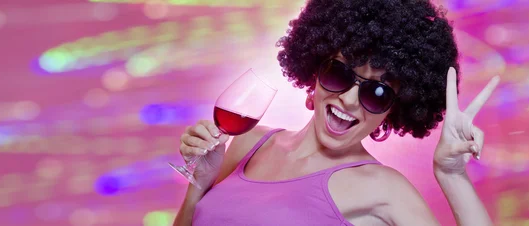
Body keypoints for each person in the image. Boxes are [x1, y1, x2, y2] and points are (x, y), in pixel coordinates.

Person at [173, 0, 499, 225]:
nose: (351, 100)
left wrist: (452, 177)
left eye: (378, 92)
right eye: (340, 74)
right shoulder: (250, 142)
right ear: (315, 69)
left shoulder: (384, 188)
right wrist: (199, 184)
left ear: (393, 109)